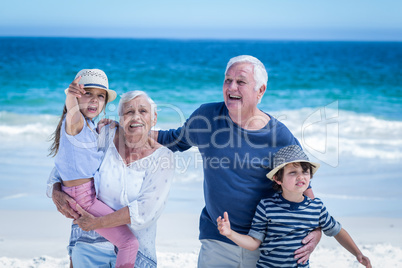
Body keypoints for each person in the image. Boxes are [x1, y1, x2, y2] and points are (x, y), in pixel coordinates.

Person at [153, 55, 321, 267]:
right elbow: (172, 139)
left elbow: (304, 187)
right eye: (227, 80)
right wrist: (126, 131)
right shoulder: (207, 117)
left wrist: (316, 231)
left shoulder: (280, 135)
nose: (232, 87)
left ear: (260, 91)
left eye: (241, 81)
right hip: (216, 239)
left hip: (266, 244)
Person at [48, 90, 175, 268]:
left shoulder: (163, 158)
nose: (136, 117)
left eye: (143, 111)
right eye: (129, 112)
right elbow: (70, 163)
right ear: (121, 118)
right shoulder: (105, 135)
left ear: (154, 118)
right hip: (89, 244)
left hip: (136, 253)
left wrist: (97, 222)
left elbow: (145, 211)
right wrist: (55, 191)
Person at [217, 145, 372, 268]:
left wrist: (357, 253)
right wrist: (230, 233)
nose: (300, 176)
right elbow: (253, 243)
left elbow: (337, 231)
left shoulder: (316, 207)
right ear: (278, 179)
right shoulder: (266, 206)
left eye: (305, 172)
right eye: (293, 172)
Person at [49, 69, 139, 267]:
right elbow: (72, 112)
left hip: (82, 193)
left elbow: (95, 156)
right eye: (87, 93)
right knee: (129, 243)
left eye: (100, 97)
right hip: (84, 197)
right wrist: (71, 97)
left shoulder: (90, 127)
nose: (94, 101)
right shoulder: (76, 123)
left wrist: (111, 127)